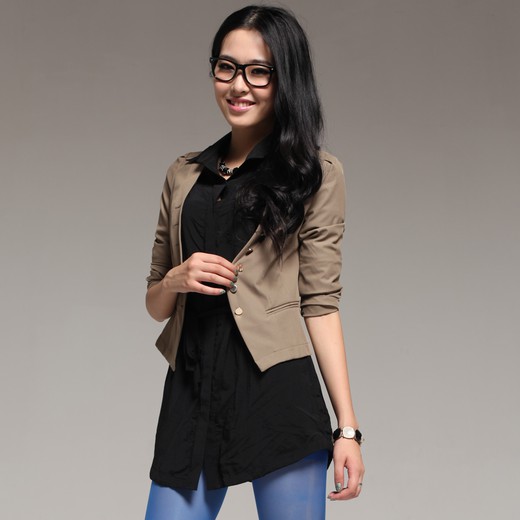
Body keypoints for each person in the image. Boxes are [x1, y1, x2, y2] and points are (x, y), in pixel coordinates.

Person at [143, 5, 364, 519]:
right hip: (192, 389)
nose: (238, 85)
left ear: (286, 78)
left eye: (258, 71)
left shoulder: (317, 174)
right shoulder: (183, 175)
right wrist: (176, 278)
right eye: (227, 67)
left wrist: (347, 429)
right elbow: (155, 304)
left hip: (276, 393)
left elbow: (320, 304)